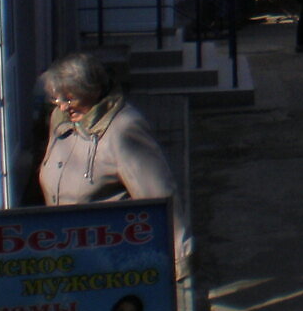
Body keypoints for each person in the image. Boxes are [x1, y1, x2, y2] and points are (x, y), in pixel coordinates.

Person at [38, 54, 194, 283]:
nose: (62, 106)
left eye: (70, 99)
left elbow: (159, 196)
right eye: (56, 98)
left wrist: (180, 262)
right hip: (65, 260)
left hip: (111, 265)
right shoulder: (60, 119)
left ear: (94, 89)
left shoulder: (124, 130)